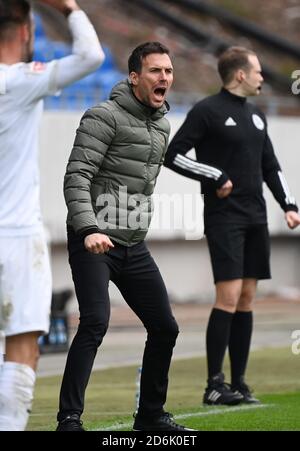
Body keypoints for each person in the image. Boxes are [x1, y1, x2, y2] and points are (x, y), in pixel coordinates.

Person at [56, 41, 194, 432]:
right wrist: (88, 228)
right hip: (93, 240)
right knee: (95, 321)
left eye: (168, 71)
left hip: (132, 243)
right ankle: (69, 419)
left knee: (165, 327)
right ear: (135, 77)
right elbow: (76, 177)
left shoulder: (162, 125)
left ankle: (150, 416)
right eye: (155, 71)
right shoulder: (103, 116)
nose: (163, 77)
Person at [164, 46, 300, 406]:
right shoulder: (207, 111)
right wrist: (215, 175)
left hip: (256, 217)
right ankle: (214, 384)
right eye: (257, 71)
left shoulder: (256, 116)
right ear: (240, 74)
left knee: (247, 298)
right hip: (224, 218)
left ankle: (239, 383)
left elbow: (271, 165)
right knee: (228, 295)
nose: (261, 77)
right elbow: (173, 154)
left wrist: (288, 204)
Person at [0, 0, 105, 431]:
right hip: (16, 235)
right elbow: (91, 57)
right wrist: (69, 7)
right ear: (26, 31)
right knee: (22, 347)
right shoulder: (21, 80)